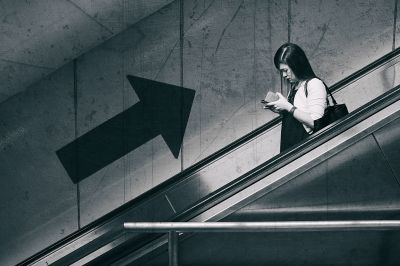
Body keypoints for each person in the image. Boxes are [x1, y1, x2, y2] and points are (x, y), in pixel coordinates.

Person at [263, 43, 327, 152]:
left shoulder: (314, 84)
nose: (283, 75)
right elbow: (297, 117)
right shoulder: (295, 87)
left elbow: (316, 122)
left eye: (285, 70)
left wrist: (288, 107)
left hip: (307, 150)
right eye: (281, 71)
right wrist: (282, 110)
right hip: (292, 148)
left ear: (297, 65)